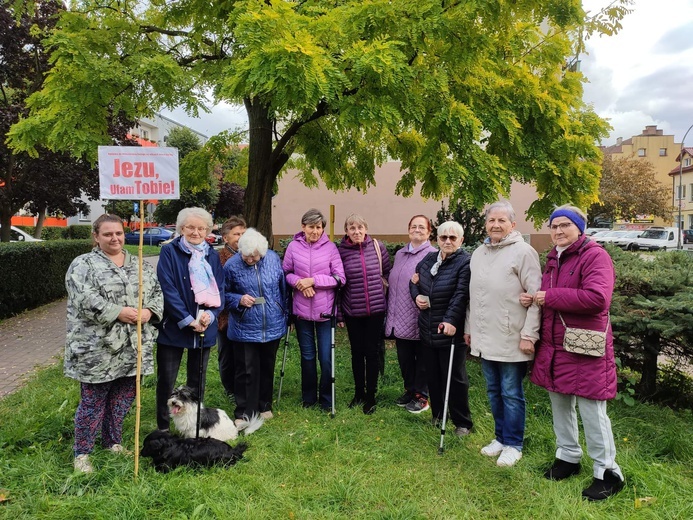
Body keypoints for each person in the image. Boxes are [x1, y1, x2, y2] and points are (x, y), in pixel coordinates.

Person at [523, 204, 624, 500]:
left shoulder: (595, 256)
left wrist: (549, 296)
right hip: (556, 346)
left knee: (593, 413)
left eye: (565, 225)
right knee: (560, 405)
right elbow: (547, 298)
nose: (558, 231)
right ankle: (567, 456)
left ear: (580, 228)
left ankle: (608, 473)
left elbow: (597, 298)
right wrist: (534, 299)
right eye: (554, 226)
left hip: (585, 347)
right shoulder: (554, 258)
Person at [65, 214, 163, 473]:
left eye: (118, 233)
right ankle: (82, 453)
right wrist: (117, 311)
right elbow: (83, 299)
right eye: (107, 234)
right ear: (96, 237)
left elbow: (155, 293)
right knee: (93, 401)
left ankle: (112, 441)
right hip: (97, 349)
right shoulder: (83, 264)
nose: (115, 238)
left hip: (133, 347)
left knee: (123, 397)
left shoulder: (139, 264)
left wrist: (149, 312)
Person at [464, 201, 541, 467]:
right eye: (491, 220)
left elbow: (535, 297)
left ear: (512, 225)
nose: (495, 225)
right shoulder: (479, 254)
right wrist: (469, 328)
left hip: (511, 335)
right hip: (484, 336)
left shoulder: (524, 253)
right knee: (493, 390)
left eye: (501, 221)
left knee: (511, 392)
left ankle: (514, 444)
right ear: (485, 224)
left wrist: (529, 335)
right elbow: (473, 297)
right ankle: (500, 437)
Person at [155, 207, 224, 431]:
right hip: (174, 327)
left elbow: (219, 288)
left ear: (208, 230)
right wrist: (186, 319)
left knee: (197, 381)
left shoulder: (212, 255)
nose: (196, 232)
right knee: (167, 379)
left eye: (201, 228)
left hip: (204, 327)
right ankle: (164, 427)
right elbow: (168, 288)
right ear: (182, 228)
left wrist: (211, 315)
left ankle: (193, 426)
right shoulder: (169, 252)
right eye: (191, 227)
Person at [411, 220, 473, 436]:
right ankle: (438, 415)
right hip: (427, 327)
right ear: (437, 239)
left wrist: (450, 321)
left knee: (455, 377)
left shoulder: (464, 263)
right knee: (433, 376)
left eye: (452, 238)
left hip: (448, 330)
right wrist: (416, 295)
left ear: (461, 240)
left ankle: (462, 422)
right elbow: (414, 281)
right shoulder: (429, 259)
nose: (447, 241)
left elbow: (460, 295)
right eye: (443, 237)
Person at [283, 209, 345, 410]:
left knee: (325, 359)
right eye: (311, 227)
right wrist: (300, 282)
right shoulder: (293, 246)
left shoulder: (331, 248)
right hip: (301, 313)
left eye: (319, 227)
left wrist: (313, 281)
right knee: (307, 357)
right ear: (303, 227)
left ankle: (327, 400)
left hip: (325, 314)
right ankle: (308, 398)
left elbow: (339, 278)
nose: (315, 231)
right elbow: (286, 273)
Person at [225, 228, 288, 420]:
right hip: (244, 326)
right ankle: (244, 411)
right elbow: (222, 294)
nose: (250, 260)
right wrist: (238, 299)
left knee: (267, 367)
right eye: (247, 256)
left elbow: (282, 289)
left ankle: (264, 405)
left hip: (272, 323)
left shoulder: (272, 259)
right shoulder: (231, 266)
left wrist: (285, 313)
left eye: (255, 256)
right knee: (246, 370)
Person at [337, 214, 391, 414]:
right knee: (357, 353)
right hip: (352, 310)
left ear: (366, 229)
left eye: (360, 227)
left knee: (372, 352)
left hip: (376, 310)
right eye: (352, 228)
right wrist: (340, 315)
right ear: (347, 231)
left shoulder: (378, 248)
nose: (356, 231)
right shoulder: (341, 252)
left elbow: (386, 273)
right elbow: (339, 285)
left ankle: (371, 395)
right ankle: (359, 393)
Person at [384, 215, 437, 414]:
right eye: (413, 226)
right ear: (408, 230)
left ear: (429, 232)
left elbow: (436, 285)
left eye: (421, 227)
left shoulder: (433, 254)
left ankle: (422, 396)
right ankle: (410, 390)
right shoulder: (400, 254)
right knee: (404, 357)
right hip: (399, 316)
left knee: (422, 359)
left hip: (419, 316)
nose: (417, 230)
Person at [217, 216, 247, 398]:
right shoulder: (219, 258)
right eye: (237, 234)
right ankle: (230, 388)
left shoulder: (250, 254)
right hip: (226, 317)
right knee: (227, 355)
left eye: (244, 233)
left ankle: (242, 386)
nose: (241, 237)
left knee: (243, 355)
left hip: (247, 316)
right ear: (225, 238)